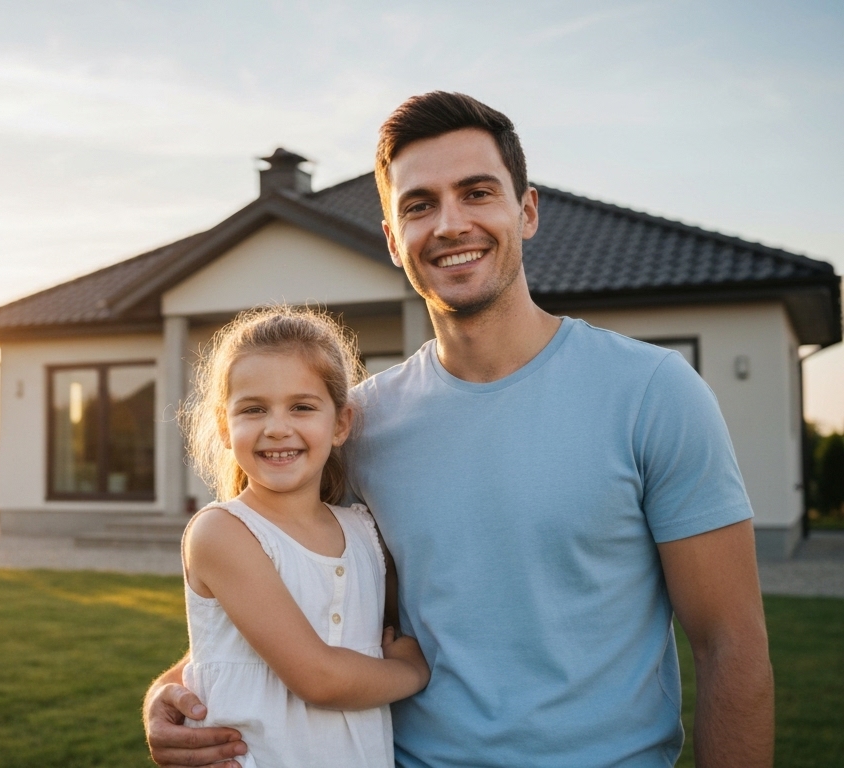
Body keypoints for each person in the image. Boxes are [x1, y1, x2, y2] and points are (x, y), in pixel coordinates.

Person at [145, 92, 774, 768]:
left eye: (477, 193)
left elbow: (730, 646)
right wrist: (171, 690)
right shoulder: (359, 423)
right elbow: (285, 585)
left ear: (526, 211)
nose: (450, 224)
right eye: (418, 205)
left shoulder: (653, 393)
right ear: (392, 238)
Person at [177, 305, 429, 767]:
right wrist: (411, 671)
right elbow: (318, 678)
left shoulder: (365, 531)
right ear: (223, 427)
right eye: (253, 409)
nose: (277, 427)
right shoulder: (222, 532)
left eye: (302, 406)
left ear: (340, 424)